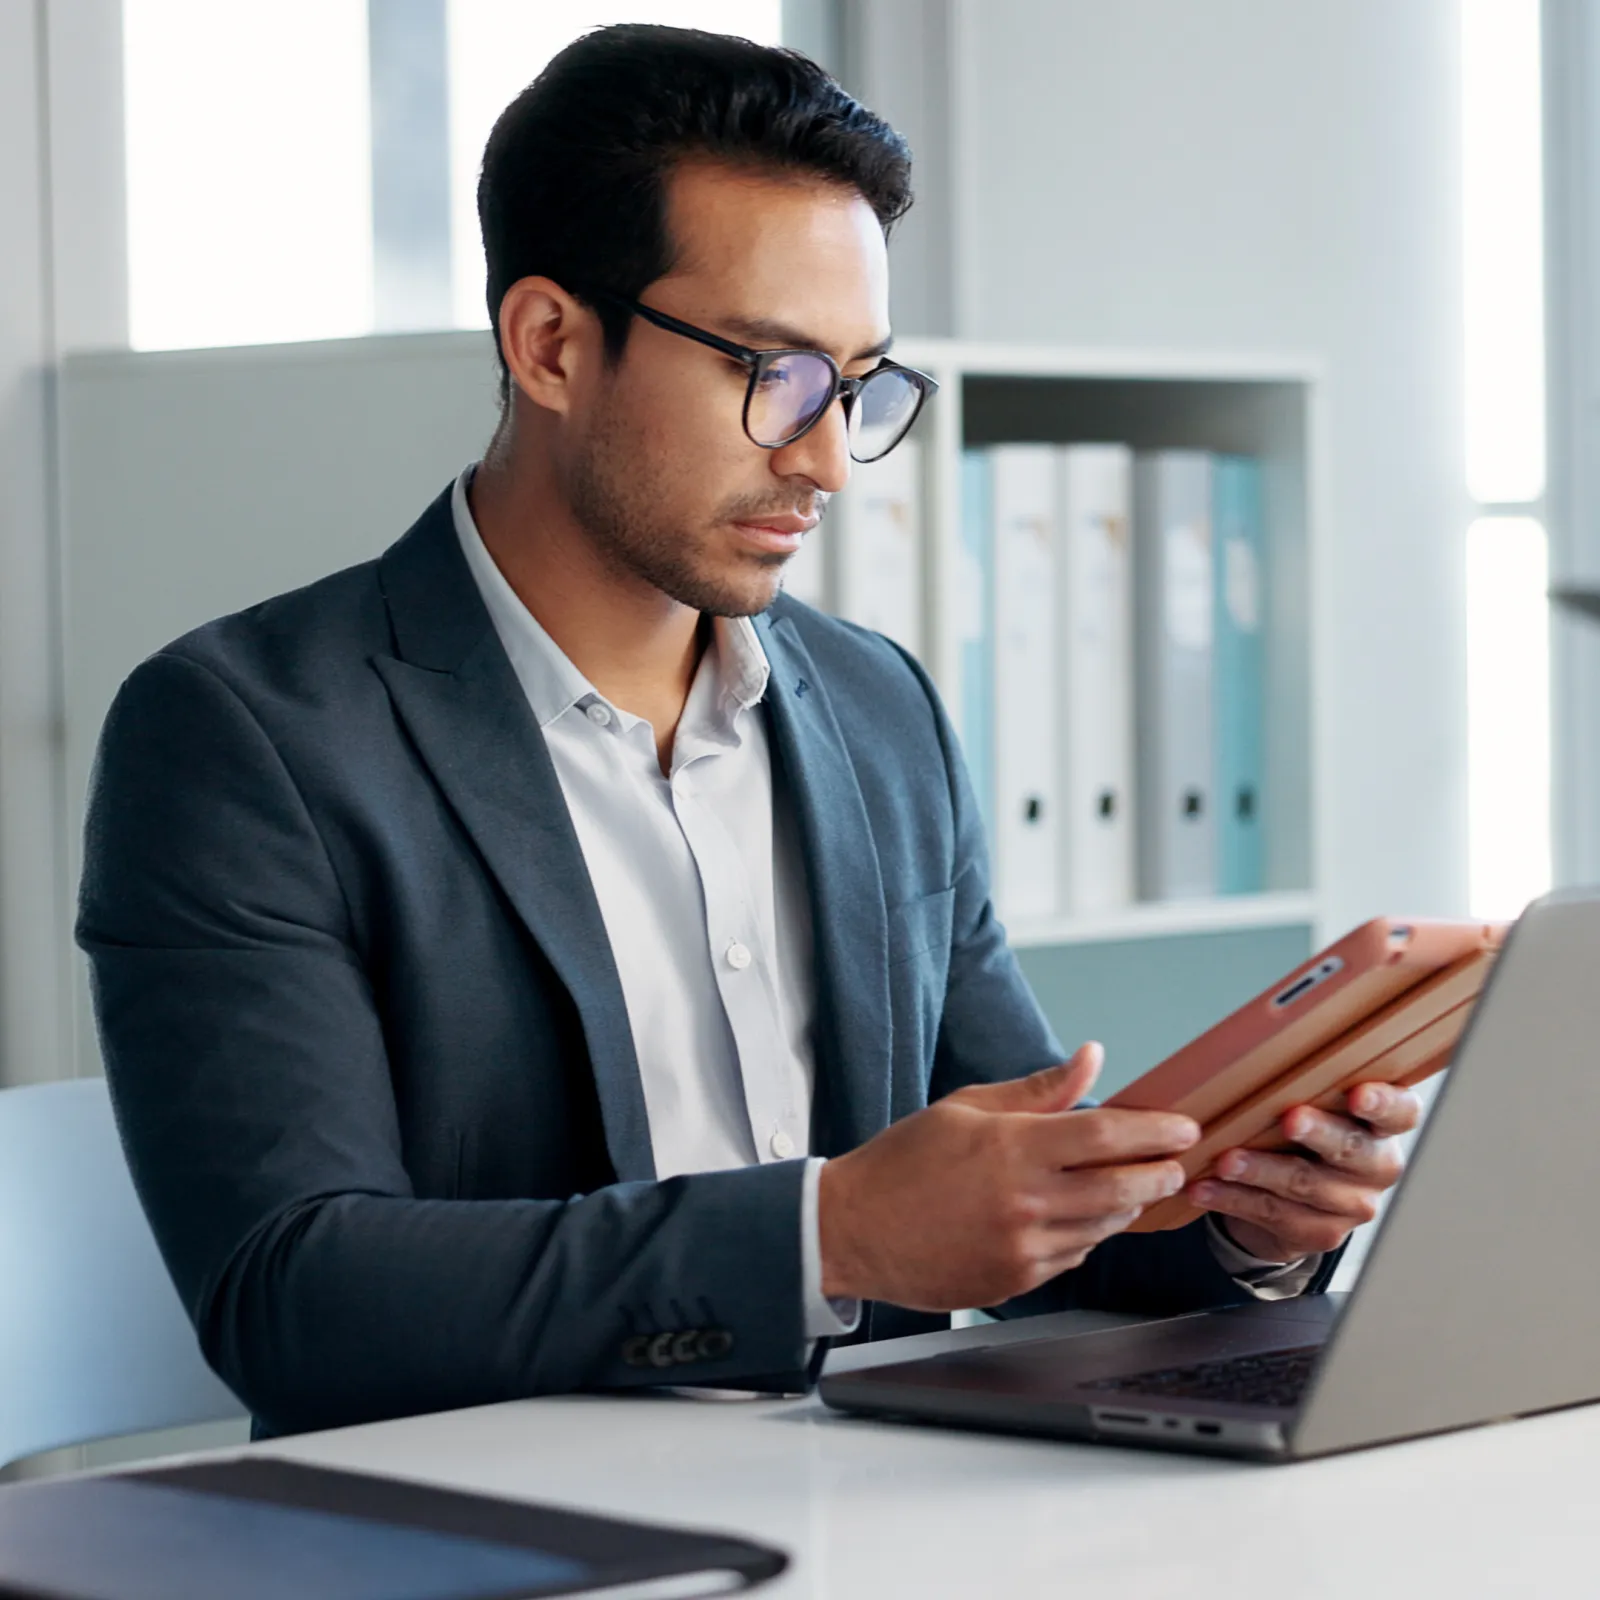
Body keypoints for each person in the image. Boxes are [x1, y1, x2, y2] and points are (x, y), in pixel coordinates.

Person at [78, 25, 1417, 1440]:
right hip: (511, 1531)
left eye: (857, 385)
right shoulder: (246, 736)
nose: (829, 456)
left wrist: (1244, 1221)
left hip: (887, 1504)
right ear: (549, 344)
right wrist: (828, 1234)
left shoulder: (877, 710)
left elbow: (1015, 1219)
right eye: (771, 373)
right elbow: (295, 1301)